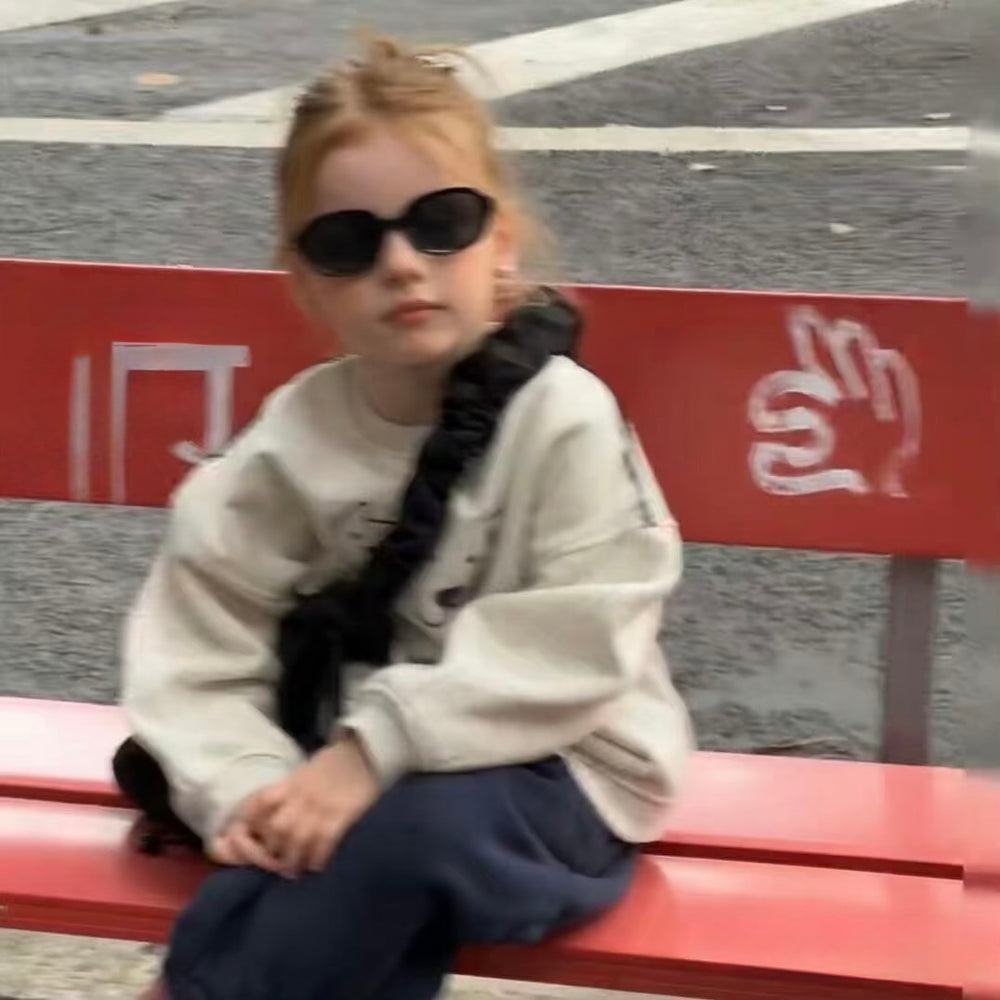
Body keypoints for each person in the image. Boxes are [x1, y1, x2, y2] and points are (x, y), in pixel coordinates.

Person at [118, 32, 694, 1000]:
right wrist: (248, 786)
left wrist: (369, 752)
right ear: (304, 279)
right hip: (356, 760)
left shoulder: (562, 416)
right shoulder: (293, 438)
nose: (400, 263)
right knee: (273, 823)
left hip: (560, 770)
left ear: (500, 244)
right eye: (348, 243)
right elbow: (195, 640)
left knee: (399, 837)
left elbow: (582, 638)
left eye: (442, 222)